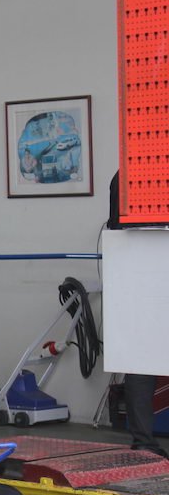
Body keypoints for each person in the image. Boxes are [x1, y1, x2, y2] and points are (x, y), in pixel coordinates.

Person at [108, 172, 168, 458]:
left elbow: (116, 224)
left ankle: (143, 442)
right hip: (146, 273)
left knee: (140, 362)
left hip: (135, 274)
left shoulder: (125, 174)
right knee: (141, 363)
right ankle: (143, 441)